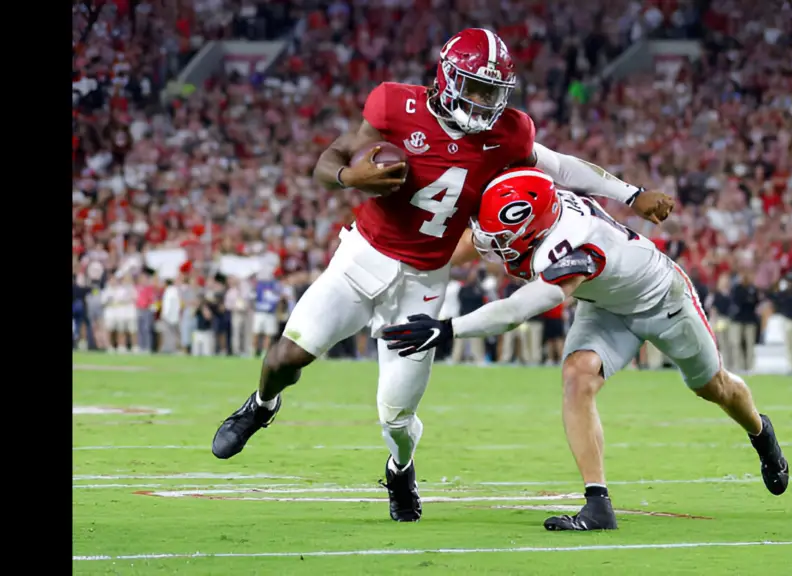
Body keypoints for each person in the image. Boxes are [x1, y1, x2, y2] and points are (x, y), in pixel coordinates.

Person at [209, 29, 675, 524]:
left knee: (396, 413)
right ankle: (261, 405)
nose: (483, 101)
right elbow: (331, 159)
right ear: (447, 77)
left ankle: (400, 468)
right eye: (474, 88)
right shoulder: (394, 106)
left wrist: (630, 193)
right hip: (362, 256)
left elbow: (560, 167)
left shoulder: (509, 134)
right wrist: (351, 178)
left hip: (425, 279)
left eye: (492, 92)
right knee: (288, 353)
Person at [382, 169, 789, 531]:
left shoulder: (571, 247)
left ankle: (760, 431)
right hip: (603, 304)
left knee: (713, 387)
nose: (496, 250)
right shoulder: (537, 207)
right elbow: (490, 227)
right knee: (578, 377)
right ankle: (598, 504)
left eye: (504, 241)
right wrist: (404, 268)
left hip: (661, 299)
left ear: (534, 230)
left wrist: (447, 328)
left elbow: (518, 309)